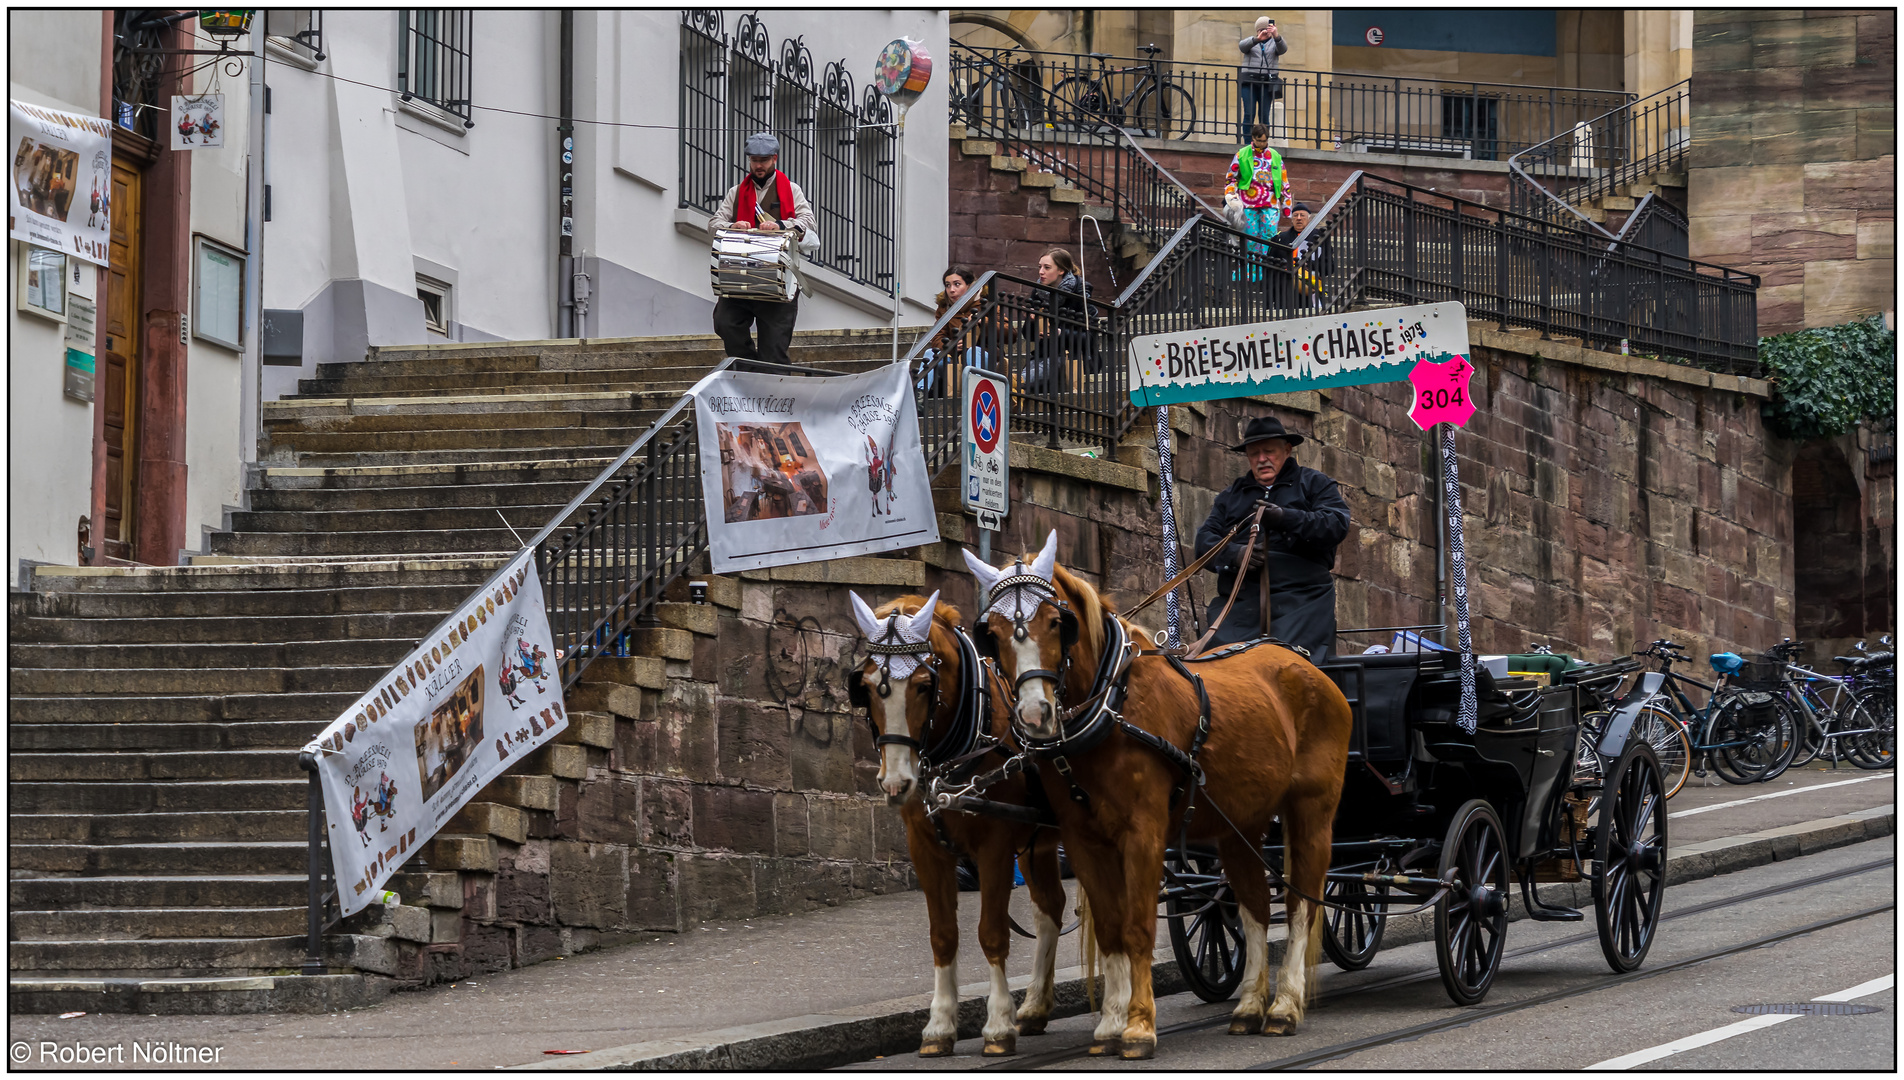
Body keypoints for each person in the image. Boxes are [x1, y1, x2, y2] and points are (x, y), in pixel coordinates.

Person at [1193, 415, 1350, 659]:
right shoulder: (1231, 496)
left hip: (1302, 599)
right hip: (1242, 603)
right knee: (1215, 662)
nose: (1262, 459)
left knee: (1288, 663)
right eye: (1254, 453)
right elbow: (1204, 542)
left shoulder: (1315, 484)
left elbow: (1336, 523)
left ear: (1287, 450)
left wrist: (1285, 518)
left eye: (1269, 451)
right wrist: (1235, 554)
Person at [710, 132, 819, 366]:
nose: (758, 165)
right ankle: (749, 366)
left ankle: (776, 392)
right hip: (740, 274)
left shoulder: (791, 189)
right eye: (754, 160)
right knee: (725, 322)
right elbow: (714, 224)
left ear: (774, 159)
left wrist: (780, 225)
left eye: (764, 160)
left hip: (778, 276)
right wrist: (733, 225)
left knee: (774, 349)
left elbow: (808, 221)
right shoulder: (736, 191)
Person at [1225, 125, 1291, 293]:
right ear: (1253, 138)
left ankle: (1265, 270)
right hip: (1249, 203)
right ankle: (1250, 272)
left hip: (1271, 202)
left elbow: (1284, 181)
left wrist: (1287, 203)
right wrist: (1231, 197)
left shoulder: (1275, 156)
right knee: (1251, 238)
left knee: (1269, 236)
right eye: (1259, 140)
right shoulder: (1242, 154)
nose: (1263, 143)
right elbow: (1231, 178)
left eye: (1265, 140)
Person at [1018, 249, 1088, 395]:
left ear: (1061, 270)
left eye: (1047, 267)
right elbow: (1028, 336)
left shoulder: (1079, 290)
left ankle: (1010, 382)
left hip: (1071, 355)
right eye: (1040, 267)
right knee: (1032, 372)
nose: (1041, 272)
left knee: (1047, 366)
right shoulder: (1038, 291)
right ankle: (1013, 382)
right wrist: (1032, 321)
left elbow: (1089, 335)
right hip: (1042, 354)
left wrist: (1061, 333)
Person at [919, 267, 994, 397]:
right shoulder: (944, 308)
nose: (951, 290)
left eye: (957, 284)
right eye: (948, 285)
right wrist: (952, 345)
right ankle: (919, 394)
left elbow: (1011, 334)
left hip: (983, 356)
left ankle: (975, 394)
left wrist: (984, 322)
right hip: (954, 359)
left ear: (969, 285)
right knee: (929, 353)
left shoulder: (986, 303)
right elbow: (937, 337)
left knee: (973, 352)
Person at [1237, 17, 1288, 139]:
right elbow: (1242, 46)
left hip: (1266, 83)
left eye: (1268, 29)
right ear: (1258, 30)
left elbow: (1283, 49)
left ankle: (1263, 143)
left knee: (1264, 115)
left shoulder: (1275, 43)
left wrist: (1276, 36)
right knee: (1249, 113)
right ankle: (1248, 144)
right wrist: (1257, 39)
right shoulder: (1252, 41)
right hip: (1249, 82)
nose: (1266, 32)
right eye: (1263, 29)